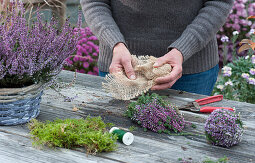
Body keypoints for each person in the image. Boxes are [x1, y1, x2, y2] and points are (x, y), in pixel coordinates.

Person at [80, 0, 234, 95]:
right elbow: (94, 2)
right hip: (122, 67)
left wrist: (182, 49)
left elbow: (219, 2)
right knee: (119, 140)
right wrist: (115, 43)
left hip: (191, 72)